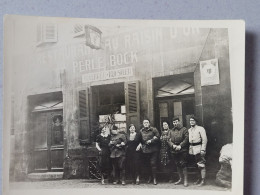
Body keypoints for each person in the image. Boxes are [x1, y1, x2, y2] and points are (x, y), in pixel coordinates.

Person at [136, 119, 160, 185]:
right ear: (143, 124)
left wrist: (151, 140)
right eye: (144, 123)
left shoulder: (154, 129)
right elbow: (139, 139)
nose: (146, 124)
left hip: (153, 150)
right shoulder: (141, 131)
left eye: (147, 122)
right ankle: (150, 177)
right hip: (145, 150)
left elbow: (158, 137)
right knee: (147, 164)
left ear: (149, 123)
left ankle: (155, 179)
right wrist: (140, 144)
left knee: (153, 163)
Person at [167, 117, 189, 187]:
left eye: (176, 122)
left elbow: (186, 139)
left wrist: (180, 146)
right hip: (174, 150)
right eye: (174, 122)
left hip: (182, 150)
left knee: (183, 164)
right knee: (177, 164)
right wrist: (172, 145)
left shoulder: (184, 129)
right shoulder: (170, 131)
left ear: (179, 122)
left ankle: (185, 180)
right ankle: (181, 179)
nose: (175, 123)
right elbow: (168, 140)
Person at [188, 116, 207, 186]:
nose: (191, 122)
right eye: (190, 121)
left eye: (193, 120)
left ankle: (203, 180)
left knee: (201, 164)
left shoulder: (200, 129)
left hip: (199, 148)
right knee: (196, 166)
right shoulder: (189, 130)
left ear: (196, 121)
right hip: (192, 149)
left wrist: (203, 149)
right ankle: (198, 179)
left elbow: (204, 140)